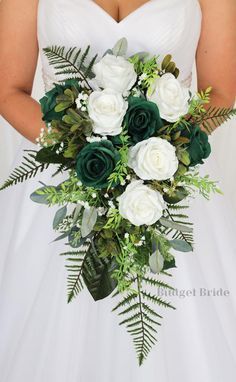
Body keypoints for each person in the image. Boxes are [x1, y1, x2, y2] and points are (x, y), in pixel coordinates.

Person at [0, 0, 235, 381]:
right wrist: (79, 148)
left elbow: (219, 93)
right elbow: (9, 89)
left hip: (168, 177)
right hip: (57, 181)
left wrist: (158, 152)